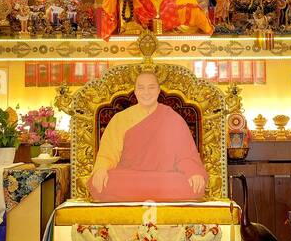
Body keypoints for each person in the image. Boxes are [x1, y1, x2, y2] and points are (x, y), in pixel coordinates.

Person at [88, 71, 207, 202]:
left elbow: (186, 155)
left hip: (164, 178)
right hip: (130, 178)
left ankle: (144, 192)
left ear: (158, 91)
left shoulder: (172, 118)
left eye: (151, 87)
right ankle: (156, 193)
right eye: (141, 88)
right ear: (135, 91)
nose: (146, 92)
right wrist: (101, 169)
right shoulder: (120, 119)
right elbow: (108, 154)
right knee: (102, 182)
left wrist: (193, 172)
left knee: (193, 185)